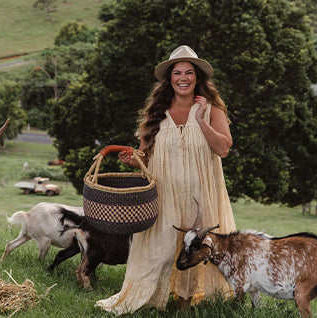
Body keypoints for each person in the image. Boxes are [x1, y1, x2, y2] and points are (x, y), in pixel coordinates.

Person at [95, 45, 236, 314]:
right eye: (177, 72)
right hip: (165, 196)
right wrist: (135, 161)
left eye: (189, 72)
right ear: (169, 79)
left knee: (198, 248)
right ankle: (151, 298)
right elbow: (146, 160)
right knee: (160, 251)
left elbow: (224, 149)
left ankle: (189, 303)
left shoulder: (212, 109)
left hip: (202, 194)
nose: (183, 78)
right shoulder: (155, 115)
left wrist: (201, 121)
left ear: (198, 78)